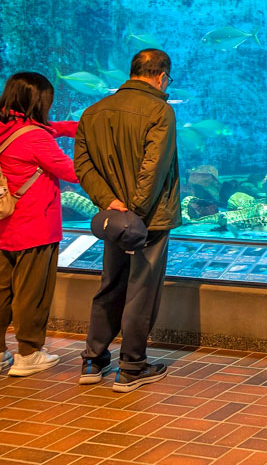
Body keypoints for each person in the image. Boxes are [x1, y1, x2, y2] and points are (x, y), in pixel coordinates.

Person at [74, 49, 180, 392]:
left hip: (114, 218)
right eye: (168, 80)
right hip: (148, 219)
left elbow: (83, 165)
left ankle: (93, 359)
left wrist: (111, 204)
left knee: (110, 284)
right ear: (161, 77)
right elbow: (154, 168)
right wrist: (135, 211)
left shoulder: (93, 111)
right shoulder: (160, 111)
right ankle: (132, 366)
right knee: (141, 290)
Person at [0, 72, 79, 376]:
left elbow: (45, 128)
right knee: (33, 293)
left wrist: (74, 127)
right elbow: (71, 172)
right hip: (34, 227)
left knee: (2, 290)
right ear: (38, 101)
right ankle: (29, 353)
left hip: (4, 223)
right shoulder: (35, 137)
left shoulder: (9, 127)